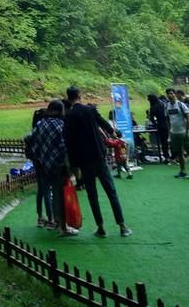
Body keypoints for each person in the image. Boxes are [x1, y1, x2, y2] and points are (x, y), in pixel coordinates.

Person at [63, 86, 132, 237]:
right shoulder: (90, 109)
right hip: (99, 157)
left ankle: (100, 227)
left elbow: (69, 142)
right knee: (111, 191)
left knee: (92, 194)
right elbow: (103, 124)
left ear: (68, 99)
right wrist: (113, 133)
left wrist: (74, 165)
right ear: (80, 96)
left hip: (84, 161)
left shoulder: (68, 116)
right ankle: (122, 226)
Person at [28, 100, 76, 236]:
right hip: (58, 166)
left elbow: (29, 138)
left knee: (47, 193)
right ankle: (63, 227)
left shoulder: (40, 124)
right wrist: (69, 167)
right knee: (59, 195)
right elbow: (64, 147)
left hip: (43, 165)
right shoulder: (61, 125)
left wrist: (39, 154)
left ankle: (54, 221)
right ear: (61, 111)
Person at [27, 107, 54, 228]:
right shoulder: (43, 127)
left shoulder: (35, 128)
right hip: (46, 162)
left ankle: (40, 217)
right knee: (47, 190)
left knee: (41, 190)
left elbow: (27, 139)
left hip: (37, 162)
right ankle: (50, 218)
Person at [165, 89, 189, 177]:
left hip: (183, 132)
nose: (169, 95)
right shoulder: (167, 106)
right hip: (174, 133)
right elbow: (167, 119)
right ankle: (183, 171)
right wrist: (169, 131)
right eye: (168, 94)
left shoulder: (180, 104)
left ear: (174, 94)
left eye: (171, 93)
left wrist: (187, 131)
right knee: (179, 152)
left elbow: (187, 117)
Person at [147, 93, 170, 162]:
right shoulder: (162, 104)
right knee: (168, 141)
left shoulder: (153, 106)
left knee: (163, 142)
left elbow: (151, 117)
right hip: (167, 123)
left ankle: (166, 157)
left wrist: (155, 124)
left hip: (161, 125)